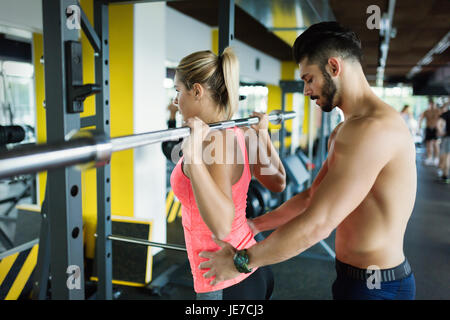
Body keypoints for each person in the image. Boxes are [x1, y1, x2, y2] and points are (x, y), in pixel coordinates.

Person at [199, 21, 417, 300]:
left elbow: (319, 223)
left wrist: (241, 261)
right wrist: (257, 224)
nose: (306, 90)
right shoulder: (345, 129)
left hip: (376, 286)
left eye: (309, 78)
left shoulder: (372, 129)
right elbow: (312, 198)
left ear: (334, 67)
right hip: (355, 278)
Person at [170, 47, 286, 300]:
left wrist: (192, 158)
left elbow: (222, 227)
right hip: (250, 267)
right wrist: (263, 135)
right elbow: (278, 181)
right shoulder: (240, 131)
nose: (175, 101)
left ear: (197, 91)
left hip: (224, 279)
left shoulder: (212, 142)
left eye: (178, 91)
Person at [419, 98, 442, 166]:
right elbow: (421, 119)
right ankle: (429, 158)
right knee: (428, 144)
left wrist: (440, 129)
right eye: (430, 104)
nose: (431, 105)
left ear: (434, 104)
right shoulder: (426, 111)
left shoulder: (438, 111)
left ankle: (436, 158)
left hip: (435, 129)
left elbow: (442, 120)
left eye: (432, 104)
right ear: (429, 104)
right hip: (428, 128)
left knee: (436, 144)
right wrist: (419, 128)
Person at [437, 105, 450, 183]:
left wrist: (441, 132)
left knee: (447, 156)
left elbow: (438, 123)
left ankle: (445, 175)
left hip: (448, 137)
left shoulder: (447, 113)